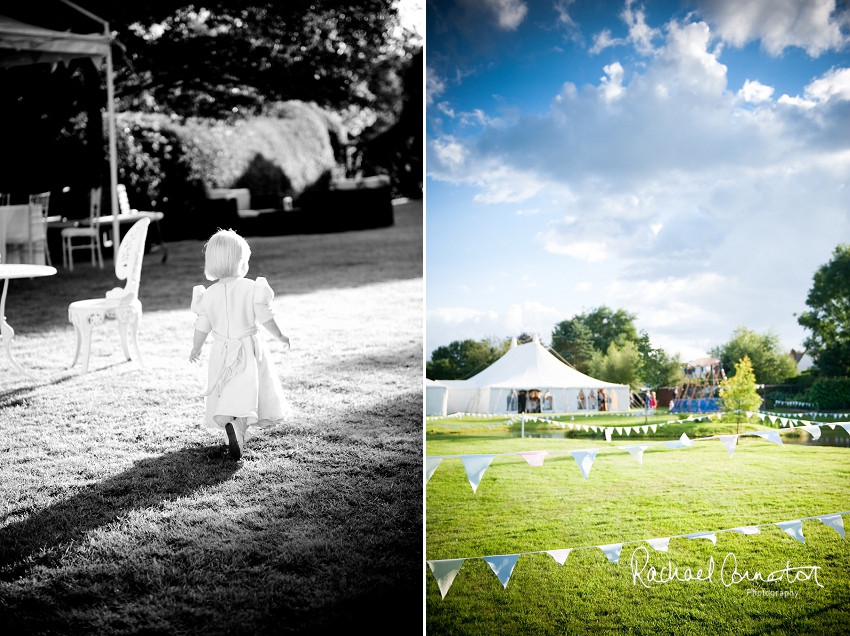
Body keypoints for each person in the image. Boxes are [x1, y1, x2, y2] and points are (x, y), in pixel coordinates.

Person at [189, 229, 292, 459]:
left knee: (227, 389)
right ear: (241, 262)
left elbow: (201, 326)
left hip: (221, 351)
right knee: (247, 388)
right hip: (247, 348)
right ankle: (239, 428)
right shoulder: (252, 288)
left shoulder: (208, 295)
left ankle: (233, 429)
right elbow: (265, 316)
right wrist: (280, 335)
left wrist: (196, 347)